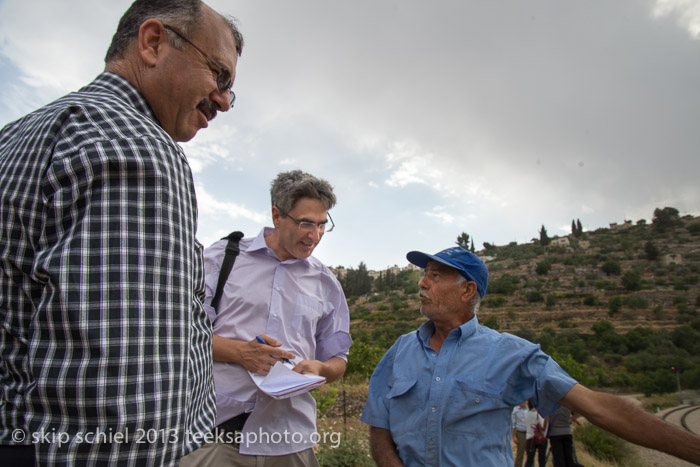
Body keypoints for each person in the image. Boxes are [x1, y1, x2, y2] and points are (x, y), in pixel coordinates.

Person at [0, 1, 244, 465]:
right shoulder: (135, 143)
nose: (224, 100)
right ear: (153, 43)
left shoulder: (18, 133)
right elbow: (125, 392)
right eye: (220, 75)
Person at [361, 246, 700, 466]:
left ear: (467, 291)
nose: (422, 283)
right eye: (424, 275)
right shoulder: (399, 351)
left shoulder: (511, 354)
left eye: (435, 276)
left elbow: (600, 408)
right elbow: (380, 428)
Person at [180, 170, 352, 467]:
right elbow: (181, 334)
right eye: (305, 223)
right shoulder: (221, 259)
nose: (314, 235)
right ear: (277, 215)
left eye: (323, 224)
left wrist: (321, 368)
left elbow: (339, 359)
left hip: (290, 439)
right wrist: (240, 353)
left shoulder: (326, 283)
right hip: (215, 434)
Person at [524, 401, 547, 467]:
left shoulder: (525, 413)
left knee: (530, 459)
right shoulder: (539, 414)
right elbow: (542, 425)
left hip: (529, 437)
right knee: (541, 459)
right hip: (539, 437)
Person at [511, 402, 528, 467]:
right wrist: (514, 436)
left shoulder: (529, 408)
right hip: (521, 433)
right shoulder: (516, 410)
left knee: (530, 453)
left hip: (529, 432)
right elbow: (513, 424)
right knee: (520, 453)